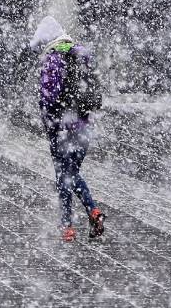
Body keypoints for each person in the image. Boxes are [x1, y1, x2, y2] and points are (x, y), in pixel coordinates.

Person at [29, 16, 105, 242]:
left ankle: (73, 223)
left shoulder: (53, 59)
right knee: (70, 174)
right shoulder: (82, 53)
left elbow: (48, 98)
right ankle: (84, 218)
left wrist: (49, 120)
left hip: (62, 127)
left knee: (64, 175)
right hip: (84, 126)